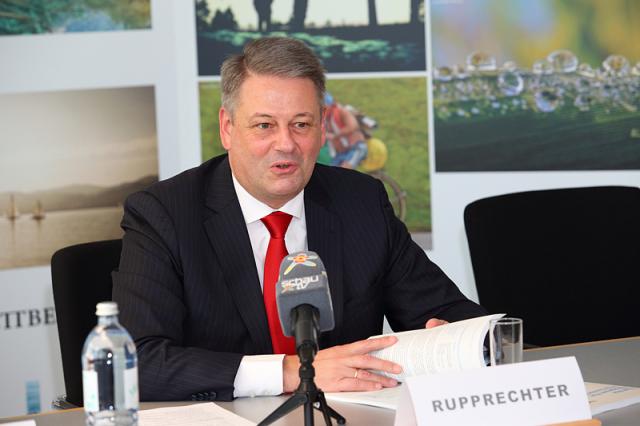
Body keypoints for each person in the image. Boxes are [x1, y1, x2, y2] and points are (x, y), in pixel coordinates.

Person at [112, 37, 487, 402]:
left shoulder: (361, 201)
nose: (286, 144)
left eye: (301, 124)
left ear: (323, 127)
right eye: (264, 126)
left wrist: (458, 338)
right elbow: (136, 362)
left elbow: (448, 313)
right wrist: (293, 371)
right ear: (227, 127)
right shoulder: (164, 214)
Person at [323, 92, 368, 169]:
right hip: (340, 153)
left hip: (355, 148)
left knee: (344, 172)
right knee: (329, 175)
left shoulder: (341, 111)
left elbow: (353, 126)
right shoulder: (326, 118)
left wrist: (335, 135)